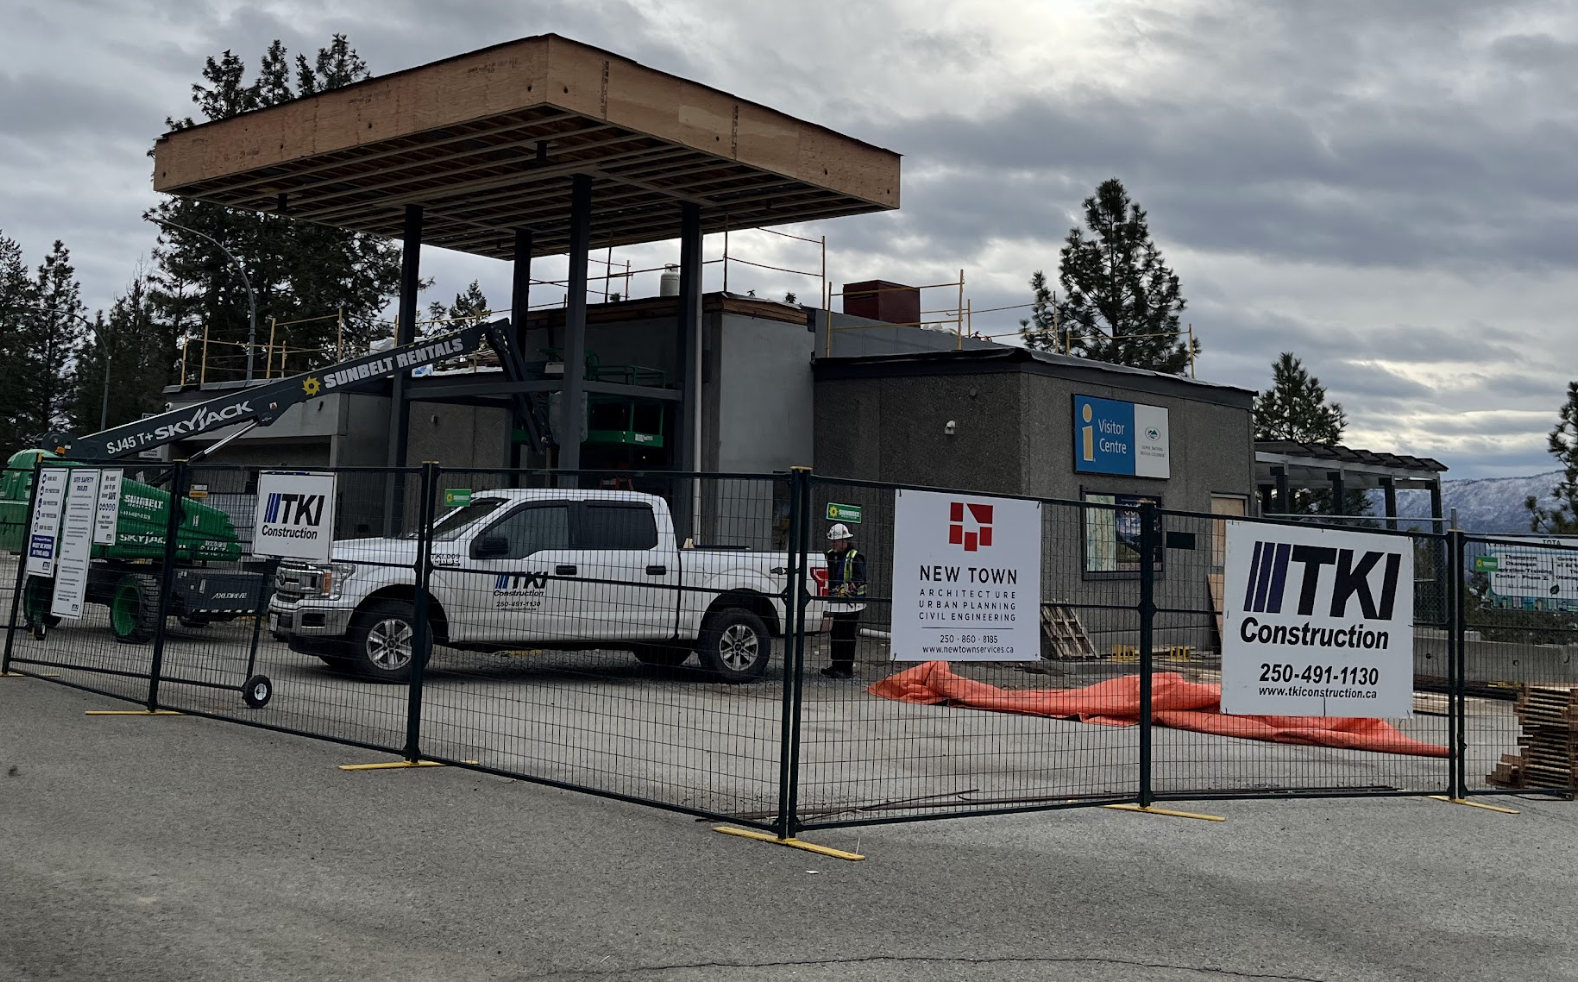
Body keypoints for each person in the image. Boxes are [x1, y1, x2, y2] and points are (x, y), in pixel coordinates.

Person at [822, 523, 867, 678]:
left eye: (835, 541)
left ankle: (846, 669)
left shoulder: (855, 557)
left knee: (847, 635)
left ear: (844, 541)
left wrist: (848, 588)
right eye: (832, 542)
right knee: (836, 633)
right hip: (837, 603)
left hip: (852, 604)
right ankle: (836, 665)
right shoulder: (830, 555)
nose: (833, 544)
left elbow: (859, 579)